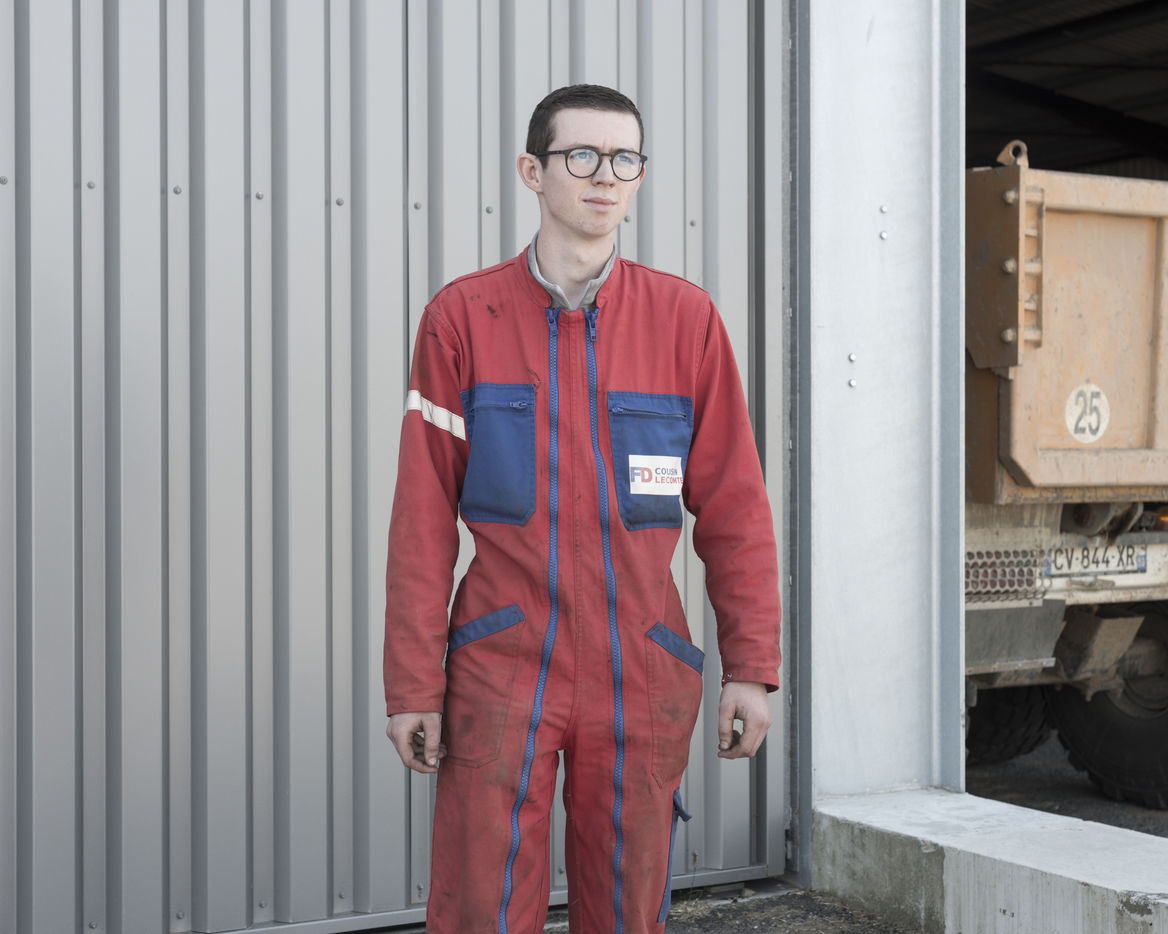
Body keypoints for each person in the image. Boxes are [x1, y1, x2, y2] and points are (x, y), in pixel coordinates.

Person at [384, 84, 781, 934]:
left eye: (625, 157)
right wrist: (413, 686)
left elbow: (736, 509)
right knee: (481, 906)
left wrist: (750, 668)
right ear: (533, 171)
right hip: (501, 657)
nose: (606, 175)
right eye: (582, 156)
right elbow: (421, 519)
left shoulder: (684, 321)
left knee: (627, 910)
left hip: (641, 662)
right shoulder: (463, 319)